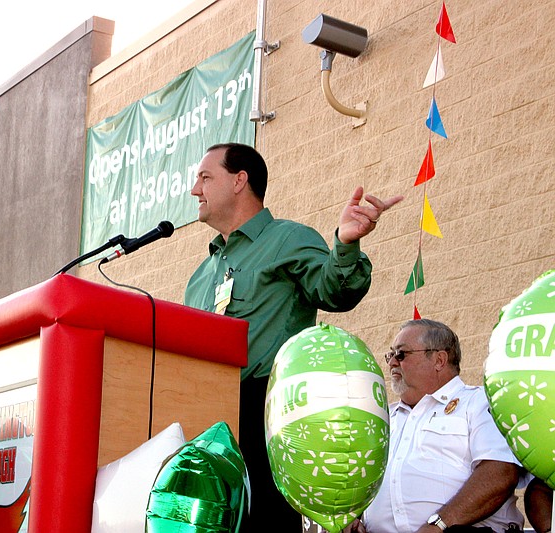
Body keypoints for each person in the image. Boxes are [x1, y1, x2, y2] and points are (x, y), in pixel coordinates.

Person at [183, 142, 403, 530]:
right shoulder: (201, 274)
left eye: (204, 177)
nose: (194, 190)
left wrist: (346, 243)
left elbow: (335, 290)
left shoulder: (288, 239)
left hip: (263, 409)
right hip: (204, 418)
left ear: (239, 181)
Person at [347, 319, 525, 533]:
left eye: (401, 354)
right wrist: (353, 516)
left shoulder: (478, 403)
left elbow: (499, 472)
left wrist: (439, 524)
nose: (392, 362)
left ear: (439, 360)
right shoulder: (385, 419)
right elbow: (360, 477)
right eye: (390, 355)